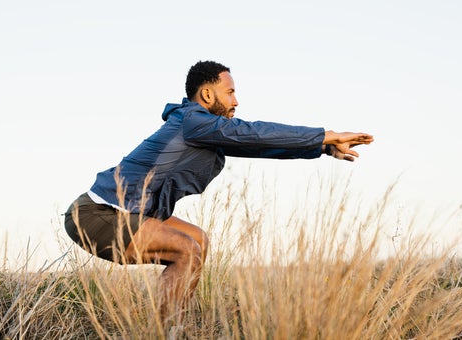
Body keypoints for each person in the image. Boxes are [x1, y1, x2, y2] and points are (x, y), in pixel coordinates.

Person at [64, 60, 374, 324]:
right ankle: (167, 332)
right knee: (185, 249)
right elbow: (253, 132)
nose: (236, 101)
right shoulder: (192, 121)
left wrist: (321, 148)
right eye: (230, 92)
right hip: (97, 214)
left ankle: (174, 323)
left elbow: (259, 145)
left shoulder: (203, 129)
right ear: (207, 93)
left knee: (197, 240)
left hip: (126, 213)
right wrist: (327, 133)